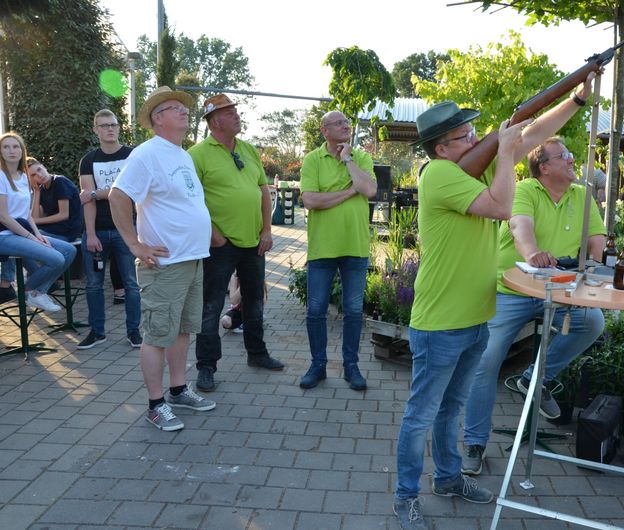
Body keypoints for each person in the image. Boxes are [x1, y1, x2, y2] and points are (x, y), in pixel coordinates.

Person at [393, 74, 596, 530]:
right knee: (421, 415)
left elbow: (533, 134)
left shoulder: (473, 167)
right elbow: (503, 207)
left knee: (451, 408)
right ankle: (405, 497)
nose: (475, 139)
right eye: (465, 136)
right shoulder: (438, 174)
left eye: (473, 133)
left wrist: (577, 99)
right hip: (441, 321)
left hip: (476, 317)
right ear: (442, 148)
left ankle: (448, 479)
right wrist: (503, 152)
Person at [460, 136, 607, 476]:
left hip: (559, 290)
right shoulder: (526, 189)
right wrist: (532, 254)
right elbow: (519, 225)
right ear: (544, 167)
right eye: (564, 156)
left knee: (592, 322)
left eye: (570, 154)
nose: (572, 160)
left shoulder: (582, 195)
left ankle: (536, 378)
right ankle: (474, 443)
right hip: (512, 288)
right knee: (486, 360)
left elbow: (597, 240)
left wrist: (601, 267)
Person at [109, 86, 215, 432]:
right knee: (156, 335)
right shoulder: (147, 154)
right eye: (174, 108)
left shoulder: (181, 155)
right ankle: (155, 405)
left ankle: (178, 390)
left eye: (183, 107)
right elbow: (118, 196)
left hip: (192, 258)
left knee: (182, 330)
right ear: (158, 119)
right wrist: (134, 244)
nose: (184, 111)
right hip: (165, 264)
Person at [189, 93, 283, 392]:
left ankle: (257, 353)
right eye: (230, 113)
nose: (237, 116)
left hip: (254, 241)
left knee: (254, 300)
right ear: (214, 121)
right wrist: (214, 234)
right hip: (220, 244)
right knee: (211, 305)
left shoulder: (248, 149)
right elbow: (191, 201)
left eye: (236, 112)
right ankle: (206, 367)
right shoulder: (197, 155)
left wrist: (266, 229)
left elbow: (263, 190)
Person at [298, 110, 376, 391]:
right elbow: (311, 200)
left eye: (347, 123)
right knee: (316, 310)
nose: (346, 126)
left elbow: (369, 190)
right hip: (323, 247)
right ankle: (317, 365)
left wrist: (348, 160)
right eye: (339, 123)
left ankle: (350, 366)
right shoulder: (312, 159)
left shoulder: (360, 157)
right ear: (324, 130)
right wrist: (349, 192)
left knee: (353, 310)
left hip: (355, 245)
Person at [77, 109, 141, 349]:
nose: (110, 129)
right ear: (96, 130)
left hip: (128, 230)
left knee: (132, 284)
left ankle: (134, 331)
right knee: (93, 285)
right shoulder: (88, 160)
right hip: (98, 231)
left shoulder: (132, 155)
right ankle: (97, 332)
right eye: (104, 125)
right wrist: (91, 234)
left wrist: (96, 192)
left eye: (113, 124)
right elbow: (87, 199)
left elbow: (133, 191)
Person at [0, 132, 76, 312]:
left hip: (21, 232)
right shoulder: (1, 176)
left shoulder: (23, 176)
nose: (12, 150)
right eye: (6, 147)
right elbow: (3, 217)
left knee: (69, 250)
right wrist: (31, 237)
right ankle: (31, 291)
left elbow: (26, 213)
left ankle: (36, 292)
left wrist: (37, 234)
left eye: (16, 146)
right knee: (56, 258)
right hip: (4, 235)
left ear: (22, 150)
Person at [27, 157, 83, 242]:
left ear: (44, 167)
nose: (40, 175)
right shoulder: (42, 189)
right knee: (25, 232)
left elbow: (64, 215)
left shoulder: (59, 181)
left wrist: (36, 221)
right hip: (52, 229)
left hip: (67, 231)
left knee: (32, 236)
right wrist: (36, 191)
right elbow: (35, 217)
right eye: (33, 175)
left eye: (39, 170)